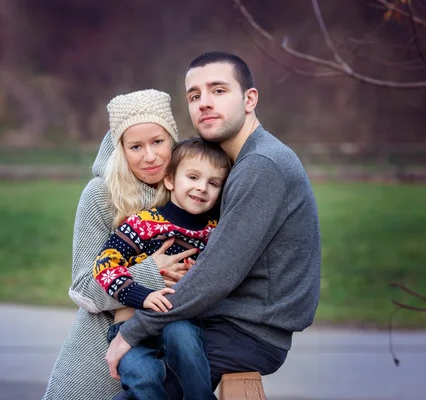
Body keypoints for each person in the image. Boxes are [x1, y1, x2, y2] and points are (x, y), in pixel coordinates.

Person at [105, 51, 322, 394]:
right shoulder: (241, 163)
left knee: (139, 385)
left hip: (246, 333)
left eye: (218, 90)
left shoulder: (261, 166)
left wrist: (130, 334)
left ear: (249, 99)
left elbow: (214, 277)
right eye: (194, 95)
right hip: (226, 323)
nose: (204, 103)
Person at [43, 89, 198, 400]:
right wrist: (150, 272)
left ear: (173, 140)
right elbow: (84, 287)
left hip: (167, 357)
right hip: (98, 360)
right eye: (136, 146)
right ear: (121, 149)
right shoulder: (101, 195)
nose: (150, 156)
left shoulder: (189, 193)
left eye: (158, 142)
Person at [94, 137, 231, 399]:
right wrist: (140, 294)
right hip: (131, 326)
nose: (202, 188)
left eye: (213, 183)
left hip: (182, 323)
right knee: (144, 378)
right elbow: (104, 264)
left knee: (184, 340)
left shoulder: (215, 230)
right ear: (170, 180)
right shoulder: (145, 223)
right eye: (193, 177)